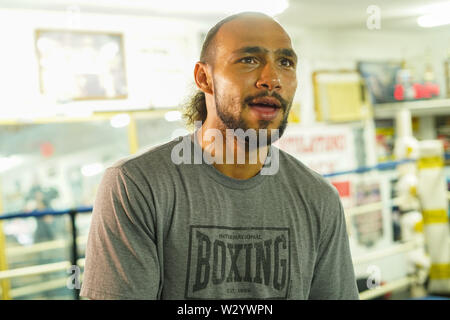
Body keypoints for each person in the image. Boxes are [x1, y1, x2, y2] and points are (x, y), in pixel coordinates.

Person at [80, 12, 359, 300]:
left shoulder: (318, 198)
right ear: (204, 78)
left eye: (285, 63)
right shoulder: (136, 186)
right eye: (249, 60)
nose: (272, 79)